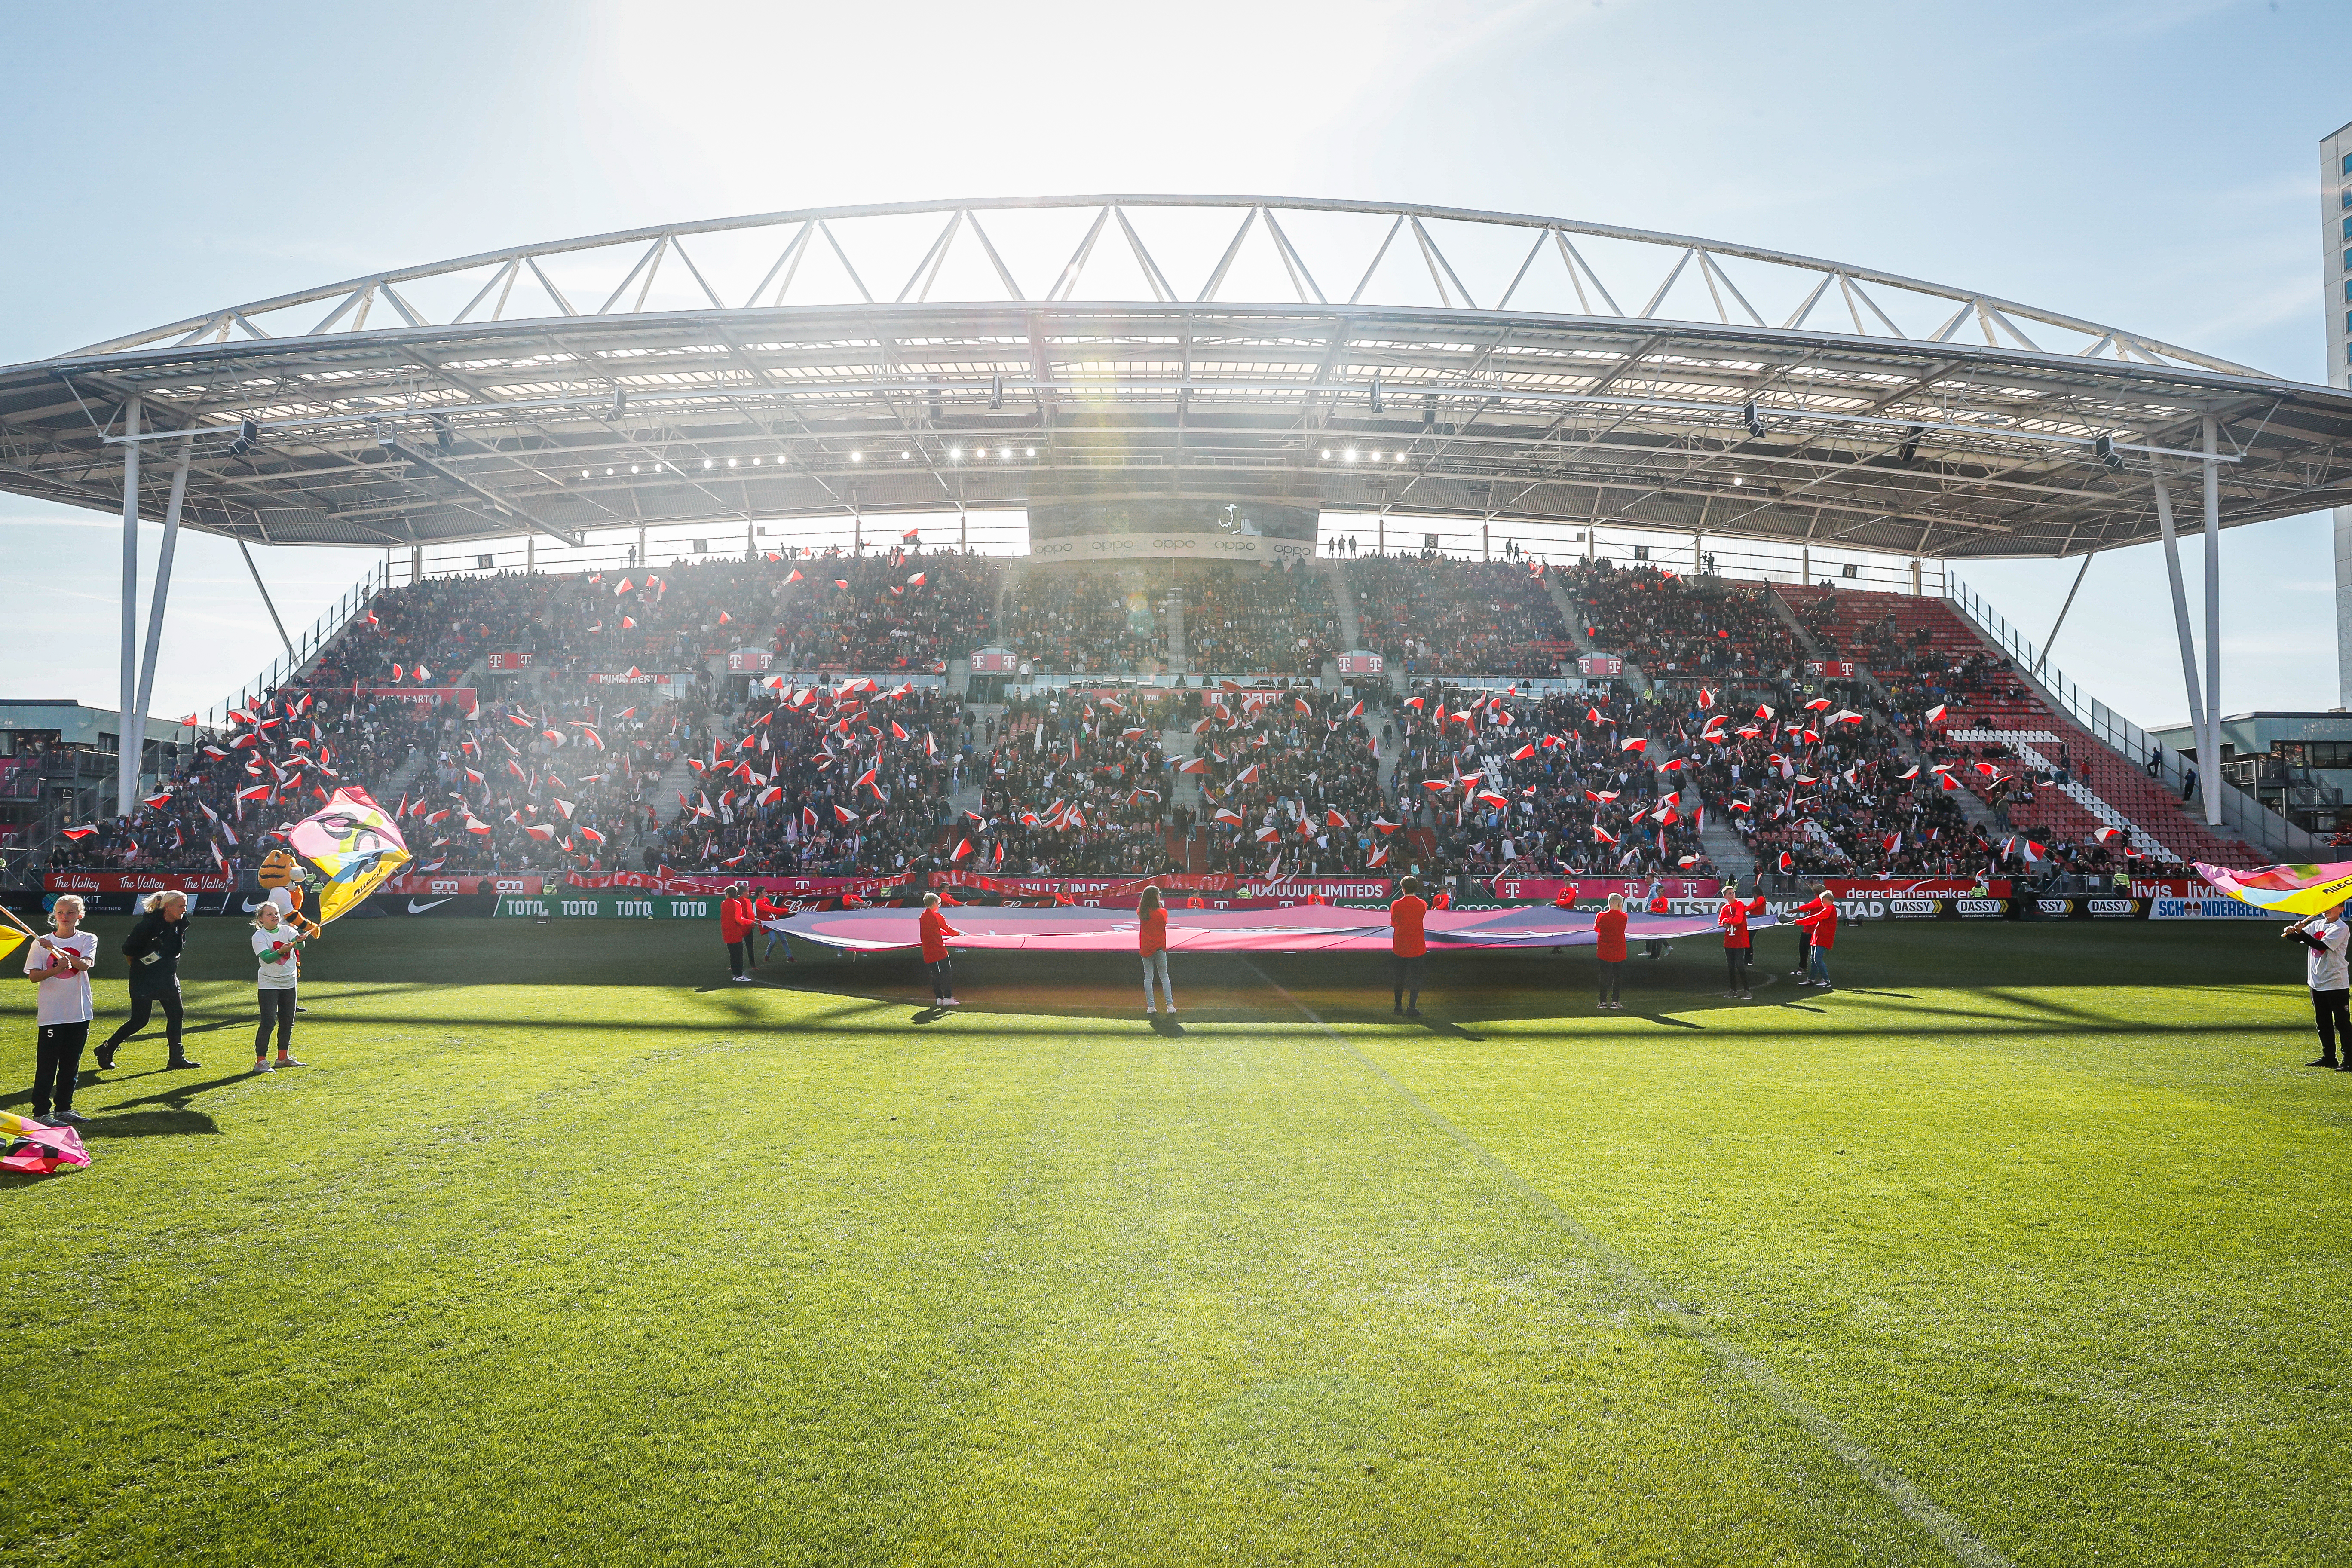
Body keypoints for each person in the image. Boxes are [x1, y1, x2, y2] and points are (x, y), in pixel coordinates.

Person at [98, 889, 198, 1071]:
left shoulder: (180, 924)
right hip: (145, 979)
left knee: (177, 1015)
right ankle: (107, 1049)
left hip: (168, 977)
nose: (185, 909)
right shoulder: (147, 925)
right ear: (167, 907)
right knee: (140, 1020)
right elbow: (129, 951)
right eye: (181, 906)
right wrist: (142, 970)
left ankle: (176, 1057)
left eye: (185, 906)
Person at [23, 895, 97, 1124]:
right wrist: (54, 970)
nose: (65, 917)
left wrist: (55, 949)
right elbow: (34, 976)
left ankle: (64, 1109)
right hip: (52, 1014)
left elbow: (84, 964)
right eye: (61, 913)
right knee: (47, 1065)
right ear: (54, 915)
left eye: (71, 913)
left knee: (70, 1064)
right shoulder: (40, 942)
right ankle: (41, 1113)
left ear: (80, 916)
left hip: (80, 1011)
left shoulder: (88, 939)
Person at [2283, 900, 2351, 1069]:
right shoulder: (2317, 924)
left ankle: (2349, 1060)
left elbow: (2320, 945)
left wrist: (2302, 934)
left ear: (2341, 909)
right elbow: (2300, 938)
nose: (2327, 910)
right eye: (2325, 907)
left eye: (2332, 907)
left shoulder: (2341, 929)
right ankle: (2329, 1058)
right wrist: (2291, 932)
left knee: (2342, 1023)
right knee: (2323, 1023)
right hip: (2317, 982)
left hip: (2335, 983)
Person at [251, 901, 306, 1071]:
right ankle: (261, 1062)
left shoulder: (287, 930)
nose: (275, 916)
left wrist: (299, 941)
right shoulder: (259, 937)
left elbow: (299, 945)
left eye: (276, 913)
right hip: (269, 983)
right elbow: (267, 958)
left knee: (288, 1021)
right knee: (268, 1021)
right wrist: (281, 951)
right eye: (269, 914)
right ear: (261, 919)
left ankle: (283, 1058)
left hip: (289, 983)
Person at [1717, 880, 1766, 999]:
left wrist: (1726, 921)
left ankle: (1747, 990)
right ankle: (1733, 990)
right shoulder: (1725, 907)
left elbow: (1738, 920)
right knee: (1730, 966)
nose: (1732, 894)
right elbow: (1720, 921)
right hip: (1729, 941)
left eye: (1733, 892)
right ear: (1725, 896)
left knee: (1740, 965)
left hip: (1739, 940)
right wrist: (1724, 922)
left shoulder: (1739, 905)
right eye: (1730, 893)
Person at [1390, 874, 1429, 1017]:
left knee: (1399, 977)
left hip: (1400, 944)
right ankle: (1412, 1007)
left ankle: (1398, 1007)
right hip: (1418, 944)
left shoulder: (1396, 904)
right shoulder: (1423, 904)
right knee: (1416, 978)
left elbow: (1394, 922)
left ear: (1403, 889)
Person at [1137, 884, 1175, 1018]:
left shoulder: (1141, 912)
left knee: (1148, 977)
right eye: (1159, 894)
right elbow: (1163, 922)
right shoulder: (1162, 913)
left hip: (1146, 948)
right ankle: (1170, 1005)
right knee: (1164, 976)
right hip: (1159, 947)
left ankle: (1151, 1006)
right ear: (1155, 897)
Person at [918, 891, 962, 1007]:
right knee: (946, 972)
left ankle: (939, 998)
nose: (939, 906)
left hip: (928, 950)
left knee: (935, 974)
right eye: (938, 903)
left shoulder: (922, 917)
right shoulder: (937, 916)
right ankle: (948, 997)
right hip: (939, 949)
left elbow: (933, 931)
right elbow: (948, 929)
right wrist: (958, 934)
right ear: (934, 903)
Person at [1795, 891, 1839, 990]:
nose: (1822, 904)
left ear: (1830, 901)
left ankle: (1826, 980)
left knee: (1817, 958)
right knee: (1814, 959)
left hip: (1824, 937)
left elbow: (1817, 917)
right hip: (1818, 935)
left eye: (1824, 902)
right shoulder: (1828, 908)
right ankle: (1811, 979)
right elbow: (1816, 919)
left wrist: (1799, 922)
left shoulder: (1829, 909)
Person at [1594, 891, 1629, 1011]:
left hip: (1604, 950)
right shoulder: (1624, 917)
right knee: (1617, 977)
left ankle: (1602, 1001)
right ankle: (1616, 1001)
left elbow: (1596, 928)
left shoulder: (1601, 915)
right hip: (1619, 951)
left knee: (1604, 976)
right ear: (1619, 904)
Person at [720, 883, 759, 981]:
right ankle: (740, 975)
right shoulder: (737, 904)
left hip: (727, 933)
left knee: (733, 955)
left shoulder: (723, 904)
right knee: (738, 955)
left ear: (728, 894)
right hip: (736, 933)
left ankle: (735, 975)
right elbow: (739, 919)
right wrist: (750, 922)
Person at [1789, 883, 1817, 978]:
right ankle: (1804, 968)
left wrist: (1794, 911)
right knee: (1805, 950)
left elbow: (1806, 908)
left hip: (1810, 930)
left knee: (1804, 950)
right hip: (1809, 929)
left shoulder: (1818, 901)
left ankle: (1803, 968)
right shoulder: (1818, 902)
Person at [1642, 876, 1673, 959]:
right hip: (1655, 917)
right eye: (1659, 891)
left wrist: (1653, 910)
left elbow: (1663, 910)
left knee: (1657, 936)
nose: (1646, 880)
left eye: (1648, 878)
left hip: (1660, 917)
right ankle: (1654, 953)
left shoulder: (1663, 899)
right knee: (1653, 935)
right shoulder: (1655, 900)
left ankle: (1656, 953)